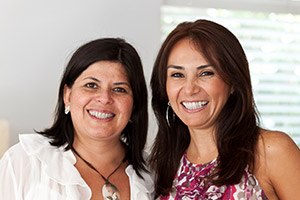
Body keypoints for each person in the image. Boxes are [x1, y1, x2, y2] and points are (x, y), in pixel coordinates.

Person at [149, 19, 300, 200]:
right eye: (177, 75)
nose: (189, 89)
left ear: (233, 82)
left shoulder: (271, 151)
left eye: (206, 73)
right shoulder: (163, 165)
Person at [0, 38, 154, 199]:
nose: (104, 98)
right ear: (68, 95)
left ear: (135, 104)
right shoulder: (23, 162)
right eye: (91, 85)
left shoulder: (154, 176)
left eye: (119, 89)